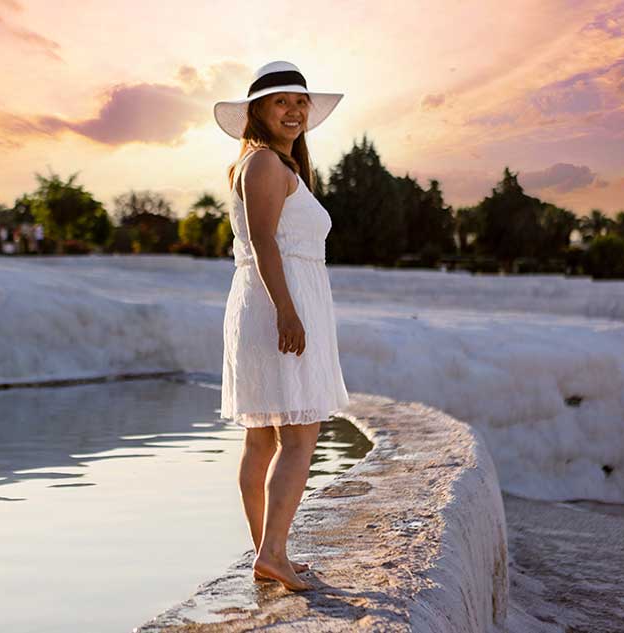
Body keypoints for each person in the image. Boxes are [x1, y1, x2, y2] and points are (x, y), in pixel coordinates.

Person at [215, 61, 350, 592]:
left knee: (264, 439)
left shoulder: (271, 165)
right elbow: (264, 243)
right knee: (297, 437)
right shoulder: (265, 165)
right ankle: (272, 553)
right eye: (281, 102)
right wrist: (288, 311)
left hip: (271, 302)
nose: (294, 110)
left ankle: (270, 554)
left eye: (300, 102)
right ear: (258, 111)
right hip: (278, 303)